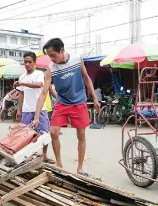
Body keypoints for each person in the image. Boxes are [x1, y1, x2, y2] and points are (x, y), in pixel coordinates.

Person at [32, 38, 100, 175]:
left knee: (81, 133)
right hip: (62, 102)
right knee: (53, 132)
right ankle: (59, 163)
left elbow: (86, 78)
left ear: (61, 51)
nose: (51, 59)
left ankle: (80, 168)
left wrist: (95, 98)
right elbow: (44, 93)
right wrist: (36, 116)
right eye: (49, 56)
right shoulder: (51, 69)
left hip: (79, 101)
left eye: (53, 55)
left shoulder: (76, 59)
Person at [15, 52, 54, 164]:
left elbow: (39, 85)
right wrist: (19, 109)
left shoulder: (38, 74)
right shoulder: (22, 76)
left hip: (40, 109)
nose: (27, 64)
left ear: (34, 63)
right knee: (25, 135)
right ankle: (27, 156)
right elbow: (21, 94)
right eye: (25, 62)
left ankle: (45, 156)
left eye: (29, 62)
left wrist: (22, 83)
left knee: (45, 134)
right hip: (26, 110)